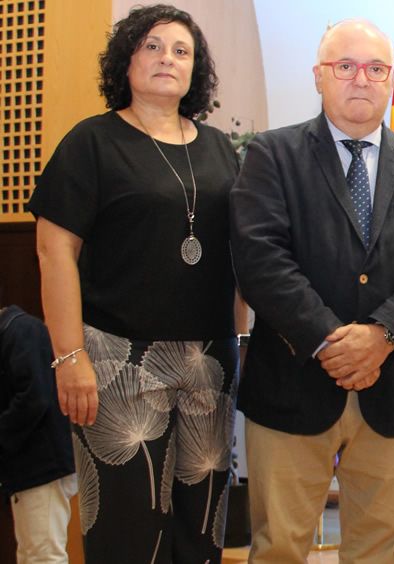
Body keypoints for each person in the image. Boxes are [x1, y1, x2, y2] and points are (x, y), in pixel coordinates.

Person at [229, 18, 394, 563]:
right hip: (292, 385)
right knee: (280, 548)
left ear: (390, 80)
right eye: (346, 66)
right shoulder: (272, 155)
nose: (362, 79)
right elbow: (261, 259)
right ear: (319, 76)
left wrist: (381, 336)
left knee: (377, 548)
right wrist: (331, 342)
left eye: (376, 68)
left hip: (389, 387)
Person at [27, 4, 242, 562]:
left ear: (196, 70)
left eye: (181, 51)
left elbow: (245, 253)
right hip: (115, 362)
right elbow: (54, 252)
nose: (167, 58)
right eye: (152, 46)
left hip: (209, 363)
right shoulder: (91, 142)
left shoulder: (221, 148)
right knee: (128, 534)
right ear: (126, 60)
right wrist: (69, 356)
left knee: (202, 532)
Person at [1, 303, 76, 564]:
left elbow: (35, 398)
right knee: (31, 555)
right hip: (27, 468)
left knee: (42, 556)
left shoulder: (21, 330)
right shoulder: (13, 331)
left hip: (42, 465)